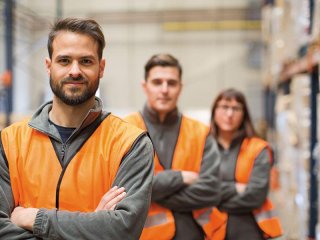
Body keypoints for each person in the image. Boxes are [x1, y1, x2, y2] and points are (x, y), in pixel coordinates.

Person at [0, 17, 154, 240]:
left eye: (86, 61)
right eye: (64, 60)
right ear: (48, 65)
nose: (75, 71)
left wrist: (36, 219)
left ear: (101, 68)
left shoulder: (131, 144)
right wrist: (94, 226)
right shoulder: (9, 141)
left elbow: (123, 230)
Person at [125, 53, 221, 240]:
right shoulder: (124, 130)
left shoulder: (201, 132)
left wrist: (146, 191)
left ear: (180, 88)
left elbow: (212, 190)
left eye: (171, 83)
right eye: (157, 82)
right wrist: (179, 177)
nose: (164, 89)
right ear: (145, 87)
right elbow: (122, 188)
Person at [203, 88, 282, 239]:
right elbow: (193, 190)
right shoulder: (201, 147)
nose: (229, 114)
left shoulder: (258, 148)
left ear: (244, 114)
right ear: (214, 111)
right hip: (209, 231)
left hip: (248, 231)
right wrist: (236, 188)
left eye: (236, 108)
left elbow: (256, 196)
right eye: (224, 107)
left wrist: (211, 198)